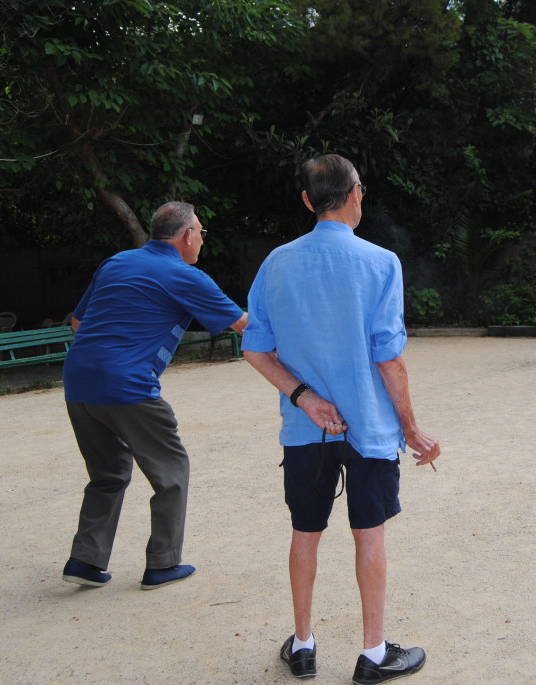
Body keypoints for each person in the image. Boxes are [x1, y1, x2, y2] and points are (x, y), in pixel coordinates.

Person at [242, 154, 440, 684]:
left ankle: (303, 645)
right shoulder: (382, 262)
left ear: (308, 200)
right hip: (370, 426)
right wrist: (411, 429)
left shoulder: (275, 263)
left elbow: (256, 350)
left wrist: (304, 397)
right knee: (369, 535)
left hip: (305, 428)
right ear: (356, 193)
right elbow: (388, 358)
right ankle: (373, 654)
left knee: (305, 532)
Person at [61, 201, 247, 591]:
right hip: (128, 384)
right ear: (187, 236)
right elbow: (244, 325)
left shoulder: (116, 262)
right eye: (201, 232)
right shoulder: (185, 275)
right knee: (171, 471)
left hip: (78, 382)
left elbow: (78, 322)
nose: (202, 239)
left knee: (108, 474)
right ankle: (163, 564)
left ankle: (85, 561)